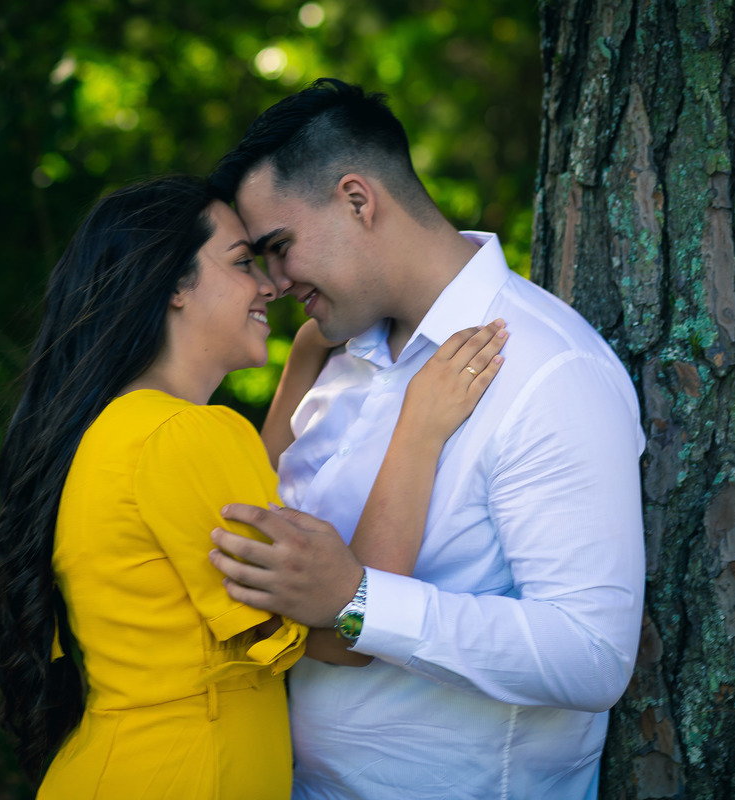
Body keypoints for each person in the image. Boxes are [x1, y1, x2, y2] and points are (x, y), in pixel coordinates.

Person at [0, 175, 508, 798]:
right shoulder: (187, 434)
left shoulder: (125, 427)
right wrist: (418, 430)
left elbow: (237, 503)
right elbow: (345, 631)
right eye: (241, 262)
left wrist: (303, 360)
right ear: (173, 285)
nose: (271, 285)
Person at [206, 79, 646, 799]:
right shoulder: (334, 357)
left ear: (358, 199)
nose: (275, 282)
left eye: (279, 247)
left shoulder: (548, 368)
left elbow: (592, 656)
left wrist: (360, 601)